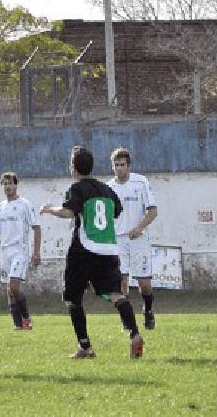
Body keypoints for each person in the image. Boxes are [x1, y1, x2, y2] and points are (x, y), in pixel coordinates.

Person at [39, 146, 144, 360]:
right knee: (115, 294)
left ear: (74, 168)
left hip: (84, 249)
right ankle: (134, 333)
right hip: (109, 249)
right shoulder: (107, 190)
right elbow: (116, 211)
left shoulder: (77, 188)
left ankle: (85, 347)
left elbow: (68, 211)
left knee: (71, 298)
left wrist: (50, 209)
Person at [108, 147, 160, 330]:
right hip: (117, 241)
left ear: (129, 166)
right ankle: (127, 318)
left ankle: (148, 310)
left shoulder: (141, 182)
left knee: (143, 283)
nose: (119, 168)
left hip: (139, 239)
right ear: (112, 166)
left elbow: (153, 211)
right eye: (116, 165)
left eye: (122, 164)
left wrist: (139, 228)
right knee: (121, 280)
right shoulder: (109, 188)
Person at [0, 172, 42, 331]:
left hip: (20, 250)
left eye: (10, 183)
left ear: (16, 185)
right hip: (5, 252)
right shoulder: (0, 207)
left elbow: (36, 228)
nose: (7, 187)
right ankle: (18, 325)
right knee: (9, 290)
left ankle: (26, 318)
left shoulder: (25, 205)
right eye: (5, 184)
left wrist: (36, 252)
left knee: (14, 286)